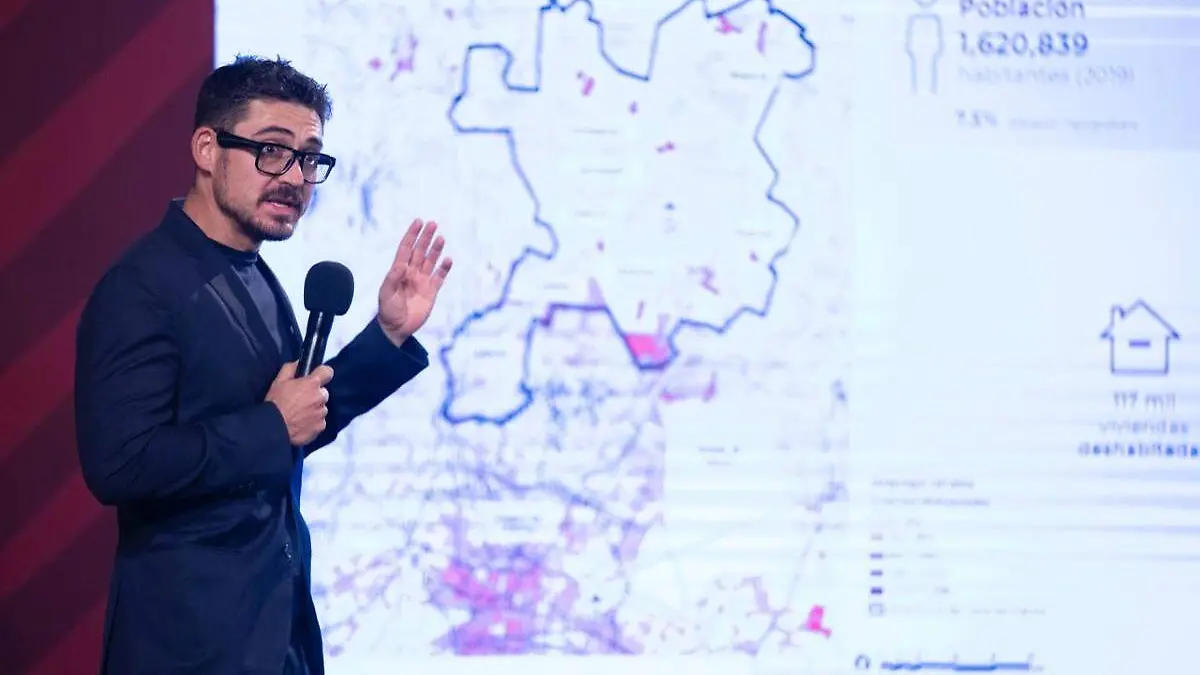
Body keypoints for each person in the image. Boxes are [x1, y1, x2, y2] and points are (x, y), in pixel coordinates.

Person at [73, 55, 452, 674]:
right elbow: (120, 464)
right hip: (188, 646)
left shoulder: (256, 277)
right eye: (272, 151)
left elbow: (295, 422)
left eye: (309, 158)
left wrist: (386, 337)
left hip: (278, 637)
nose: (295, 178)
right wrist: (271, 426)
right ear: (207, 148)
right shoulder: (142, 287)